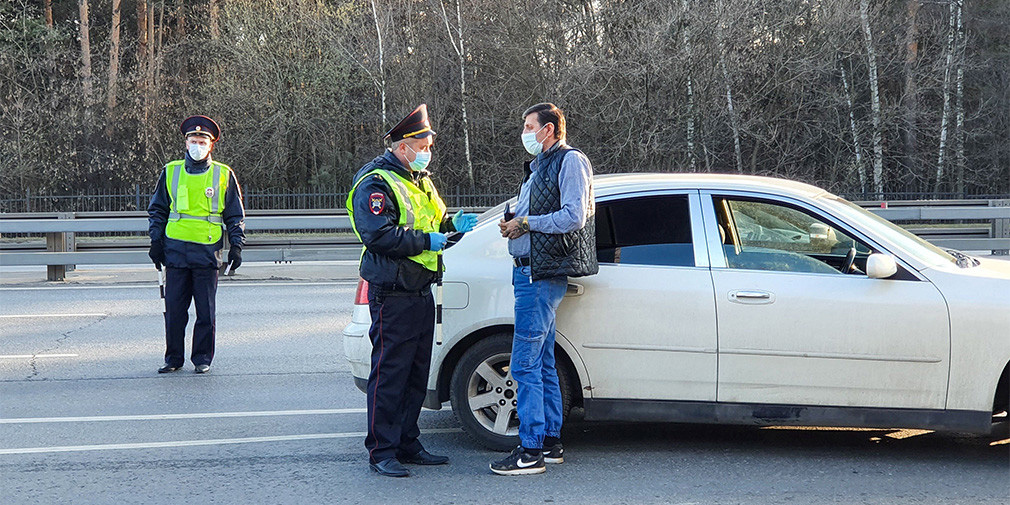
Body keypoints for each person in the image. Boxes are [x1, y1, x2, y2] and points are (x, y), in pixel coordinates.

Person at [347, 104, 478, 478]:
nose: (428, 150)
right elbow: (378, 234)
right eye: (423, 143)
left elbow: (432, 222)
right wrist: (429, 240)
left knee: (416, 373)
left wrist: (453, 226)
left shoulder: (419, 179)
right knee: (390, 374)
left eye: (429, 144)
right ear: (403, 146)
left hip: (420, 289)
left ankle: (407, 441)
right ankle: (381, 450)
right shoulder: (375, 182)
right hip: (392, 290)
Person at [491, 103, 598, 476]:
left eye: (529, 126)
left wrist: (526, 223)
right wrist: (513, 222)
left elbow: (574, 215)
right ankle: (550, 443)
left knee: (524, 364)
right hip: (531, 271)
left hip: (540, 274)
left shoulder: (570, 161)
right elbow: (530, 214)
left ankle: (530, 450)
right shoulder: (540, 166)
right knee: (543, 362)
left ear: (549, 129)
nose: (525, 132)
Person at [148, 115, 245, 375]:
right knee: (175, 312)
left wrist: (236, 244)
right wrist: (155, 240)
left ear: (210, 145)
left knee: (205, 312)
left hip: (207, 251)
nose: (197, 144)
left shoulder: (223, 174)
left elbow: (234, 215)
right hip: (176, 251)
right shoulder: (171, 170)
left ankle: (202, 358)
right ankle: (173, 358)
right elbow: (157, 209)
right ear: (186, 142)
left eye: (202, 141)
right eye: (193, 140)